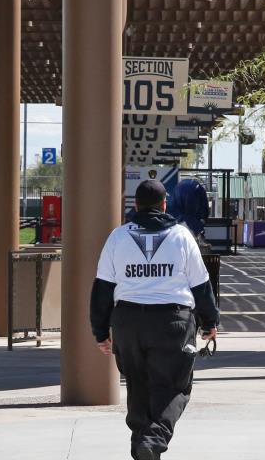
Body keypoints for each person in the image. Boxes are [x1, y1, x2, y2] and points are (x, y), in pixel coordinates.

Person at [90, 179, 219, 460]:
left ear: (135, 205)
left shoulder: (118, 237)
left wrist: (101, 332)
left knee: (138, 385)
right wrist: (210, 322)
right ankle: (153, 438)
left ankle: (143, 448)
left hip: (128, 323)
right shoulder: (182, 236)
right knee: (176, 386)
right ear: (164, 204)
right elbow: (201, 286)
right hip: (172, 322)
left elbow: (102, 288)